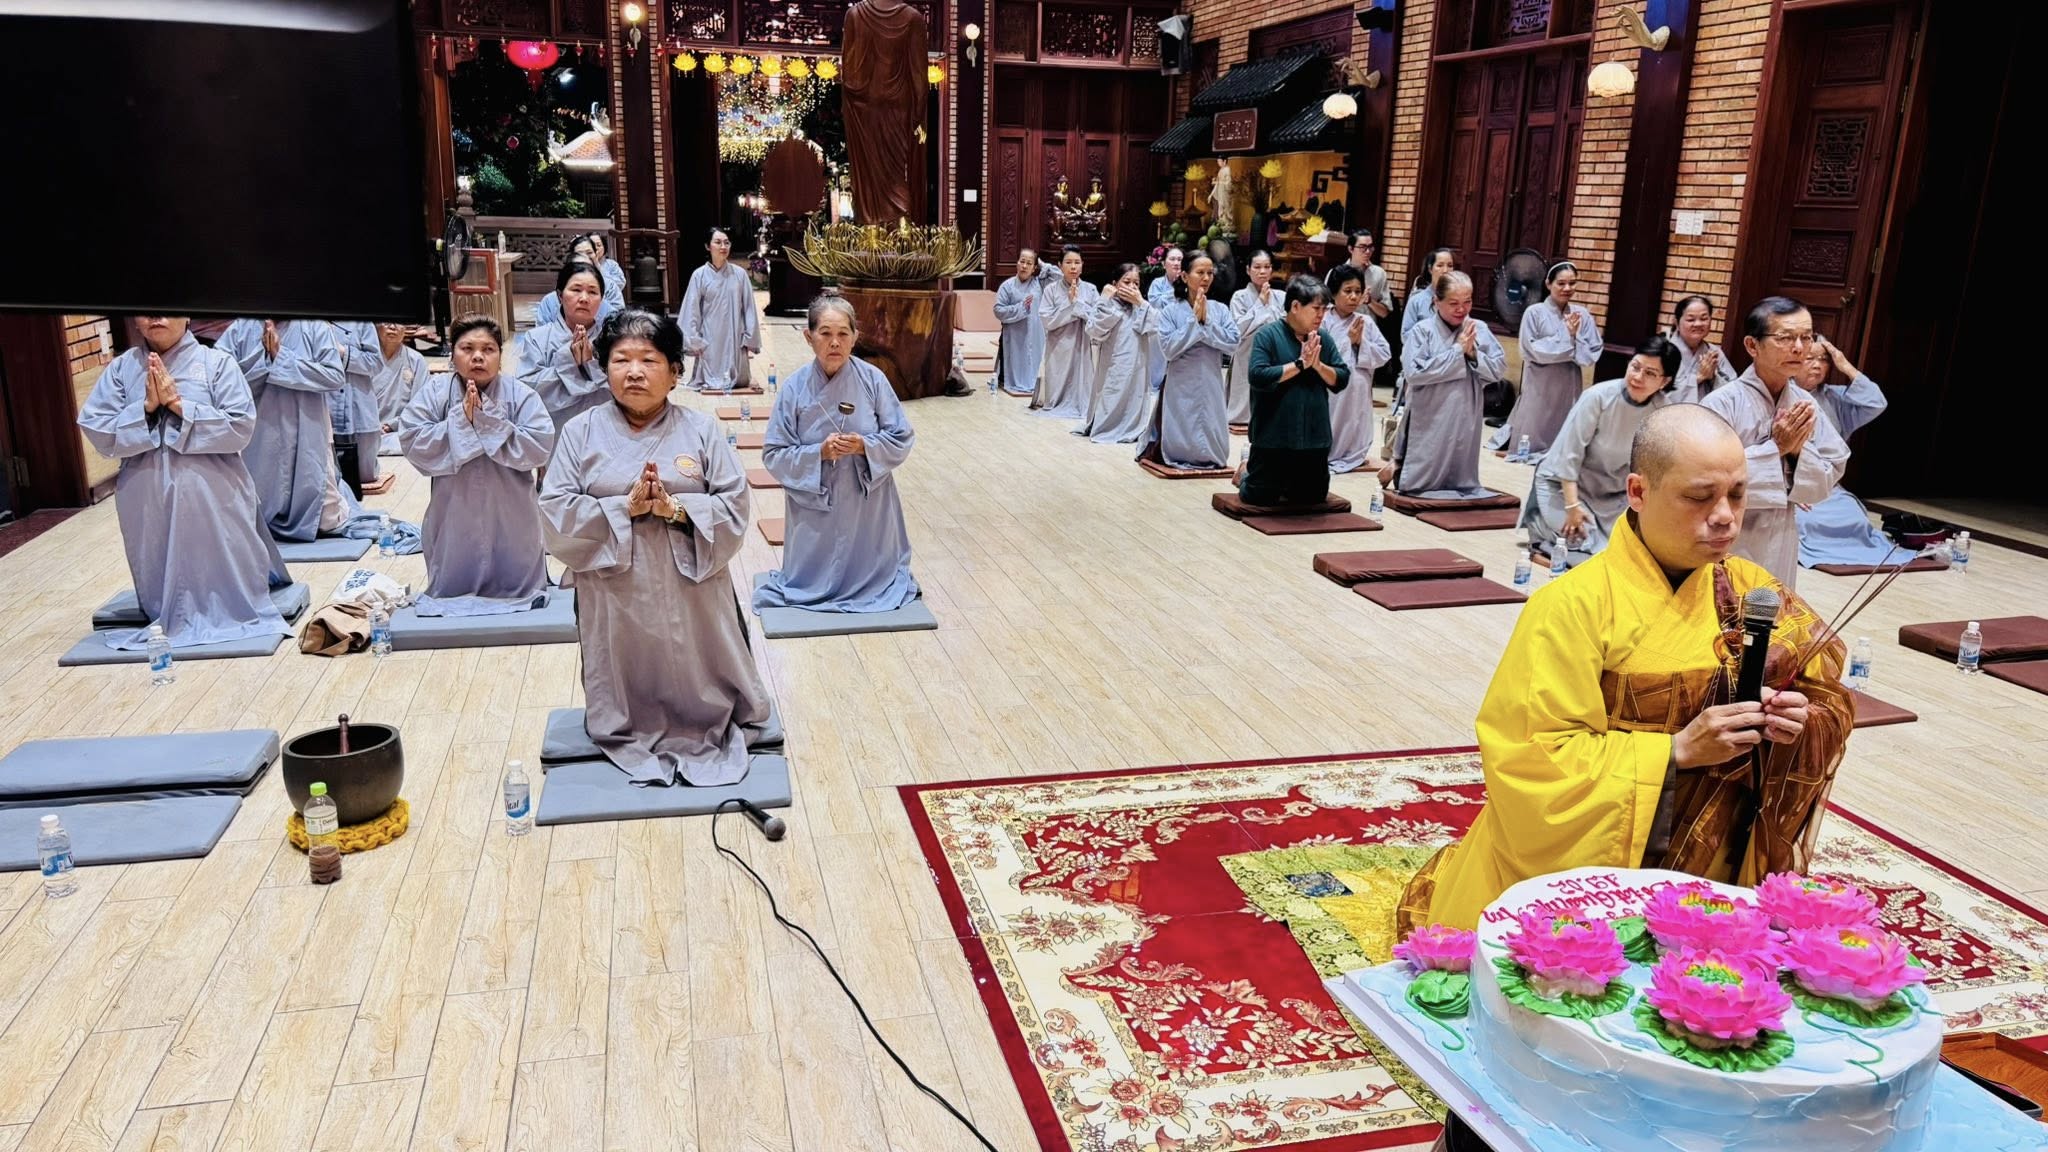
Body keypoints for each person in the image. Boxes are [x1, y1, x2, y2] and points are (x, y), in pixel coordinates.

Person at [1396, 404, 1852, 934]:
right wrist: (1676, 752)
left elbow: (1825, 695)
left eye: (1737, 493)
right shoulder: (1572, 606)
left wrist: (1798, 719)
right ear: (1638, 491)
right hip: (1601, 871)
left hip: (1719, 853)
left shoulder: (1754, 589)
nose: (1725, 515)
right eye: (1700, 497)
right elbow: (1532, 759)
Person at [540, 309, 773, 786]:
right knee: (627, 678)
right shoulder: (580, 432)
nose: (634, 372)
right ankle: (630, 722)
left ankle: (706, 715)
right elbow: (555, 509)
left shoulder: (702, 430)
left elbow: (734, 505)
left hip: (691, 586)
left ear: (675, 372)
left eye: (648, 360)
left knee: (701, 668)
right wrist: (622, 509)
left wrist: (677, 509)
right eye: (621, 360)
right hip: (614, 588)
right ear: (605, 369)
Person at [77, 316, 290, 650]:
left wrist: (179, 406)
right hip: (146, 492)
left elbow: (240, 427)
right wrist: (146, 409)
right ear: (135, 320)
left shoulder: (217, 363)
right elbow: (98, 428)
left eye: (165, 307)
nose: (156, 317)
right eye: (146, 310)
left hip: (213, 489)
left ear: (187, 315)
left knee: (223, 564)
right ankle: (165, 613)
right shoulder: (121, 370)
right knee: (159, 563)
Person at [753, 297, 920, 613]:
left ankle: (871, 581)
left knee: (870, 566)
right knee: (813, 575)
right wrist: (818, 452)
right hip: (816, 501)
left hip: (866, 501)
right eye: (825, 333)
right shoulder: (794, 388)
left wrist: (864, 446)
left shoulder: (873, 380)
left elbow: (901, 436)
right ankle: (813, 583)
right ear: (808, 336)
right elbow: (774, 454)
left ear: (855, 337)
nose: (835, 342)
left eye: (843, 334)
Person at [400, 318, 555, 616]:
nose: (478, 357)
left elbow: (539, 445)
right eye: (467, 348)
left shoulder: (521, 394)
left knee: (517, 579)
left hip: (512, 507)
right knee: (454, 579)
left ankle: (518, 600)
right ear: (452, 354)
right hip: (453, 505)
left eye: (488, 349)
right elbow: (413, 439)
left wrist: (485, 422)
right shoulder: (435, 392)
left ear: (500, 356)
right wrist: (463, 420)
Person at [1700, 296, 1850, 589]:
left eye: (1806, 337)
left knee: (1772, 606)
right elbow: (1705, 475)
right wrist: (1776, 449)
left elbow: (1833, 468)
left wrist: (1797, 452)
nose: (1799, 348)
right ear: (1752, 345)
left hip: (1782, 533)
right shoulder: (1722, 403)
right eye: (1785, 338)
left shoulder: (1805, 404)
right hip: (1727, 535)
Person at [1519, 335, 1680, 565]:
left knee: (1627, 548)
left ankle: (1558, 551)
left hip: (1612, 495)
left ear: (1664, 382)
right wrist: (1572, 506)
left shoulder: (1662, 411)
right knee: (1583, 539)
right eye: (1635, 366)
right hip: (1563, 487)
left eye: (1650, 373)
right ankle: (1541, 538)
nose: (1638, 377)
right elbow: (1569, 456)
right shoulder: (1597, 397)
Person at [217, 316, 346, 542]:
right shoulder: (240, 328)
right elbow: (220, 379)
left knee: (325, 519)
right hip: (261, 431)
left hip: (308, 428)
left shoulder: (315, 327)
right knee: (257, 511)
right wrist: (264, 360)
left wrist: (281, 358)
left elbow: (335, 377)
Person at [1393, 271, 1506, 499]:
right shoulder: (1422, 331)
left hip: (1466, 407)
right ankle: (1403, 473)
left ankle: (1459, 483)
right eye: (1454, 303)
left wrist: (1473, 354)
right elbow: (1414, 373)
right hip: (1431, 410)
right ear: (1436, 301)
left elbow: (1498, 369)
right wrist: (1457, 351)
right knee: (1423, 472)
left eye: (1467, 302)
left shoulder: (1478, 328)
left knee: (1460, 459)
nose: (1461, 309)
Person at [1240, 275, 1347, 505]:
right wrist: (1300, 365)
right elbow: (1257, 376)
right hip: (1273, 438)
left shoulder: (1323, 338)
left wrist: (1318, 366)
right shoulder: (1268, 335)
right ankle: (1244, 474)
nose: (1321, 315)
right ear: (1296, 306)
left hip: (1314, 439)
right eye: (1316, 308)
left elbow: (1342, 378)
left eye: (1324, 309)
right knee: (1260, 497)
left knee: (1312, 498)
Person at [1794, 337, 1895, 567]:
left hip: (1827, 487)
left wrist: (1845, 366)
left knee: (1856, 519)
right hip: (1791, 485)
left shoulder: (1836, 397)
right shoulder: (1779, 393)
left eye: (1824, 359)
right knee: (1805, 523)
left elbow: (1876, 403)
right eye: (1810, 358)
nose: (1817, 365)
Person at [1141, 254, 1236, 469]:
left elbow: (1232, 343)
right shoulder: (1170, 311)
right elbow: (1168, 349)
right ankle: (1180, 454)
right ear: (1184, 276)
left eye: (1210, 273)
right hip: (1181, 380)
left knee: (1210, 419)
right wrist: (1195, 323)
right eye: (1200, 272)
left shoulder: (1220, 309)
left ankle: (1211, 456)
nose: (1206, 278)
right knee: (1183, 419)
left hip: (1211, 378)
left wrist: (1206, 323)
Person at [1500, 261, 1602, 455]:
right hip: (1540, 380)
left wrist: (1575, 337)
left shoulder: (1582, 315)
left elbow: (1591, 353)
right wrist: (1570, 340)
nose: (1567, 288)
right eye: (1561, 283)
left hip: (1569, 381)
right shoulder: (1534, 313)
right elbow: (1531, 350)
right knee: (1534, 425)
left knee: (1564, 423)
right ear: (1548, 283)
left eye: (1572, 283)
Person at [515, 260, 609, 430]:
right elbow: (526, 391)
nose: (584, 298)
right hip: (554, 431)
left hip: (602, 432)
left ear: (601, 299)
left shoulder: (611, 341)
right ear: (560, 295)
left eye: (593, 292)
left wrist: (592, 364)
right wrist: (568, 360)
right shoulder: (537, 338)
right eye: (576, 290)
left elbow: (623, 391)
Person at [1321, 265, 1392, 474]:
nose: (1353, 296)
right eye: (1347, 291)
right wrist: (1347, 343)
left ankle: (1351, 453)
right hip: (1329, 386)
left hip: (1357, 389)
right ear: (1334, 293)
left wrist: (1361, 342)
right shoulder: (1322, 319)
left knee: (1353, 424)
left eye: (1358, 291)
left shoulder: (1365, 322)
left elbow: (1384, 353)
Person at [1082, 263, 1157, 445]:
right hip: (1114, 362)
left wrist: (1140, 303)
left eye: (1136, 283)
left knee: (1134, 395)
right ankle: (1106, 426)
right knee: (1112, 392)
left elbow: (1157, 325)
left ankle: (1132, 426)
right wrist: (1104, 299)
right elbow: (1093, 329)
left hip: (1137, 363)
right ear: (1115, 284)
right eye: (1127, 282)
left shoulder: (1141, 306)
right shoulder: (1108, 303)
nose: (1132, 287)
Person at [678, 227, 761, 391]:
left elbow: (749, 308)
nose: (723, 246)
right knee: (711, 376)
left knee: (739, 379)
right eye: (718, 242)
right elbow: (691, 310)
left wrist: (749, 337)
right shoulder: (699, 275)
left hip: (734, 333)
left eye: (726, 242)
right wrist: (694, 339)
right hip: (710, 334)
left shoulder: (740, 274)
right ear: (708, 246)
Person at [1033, 247, 1098, 420]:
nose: (1073, 267)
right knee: (1057, 383)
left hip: (1083, 346)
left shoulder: (1091, 290)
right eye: (1068, 262)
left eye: (1077, 262)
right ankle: (1055, 402)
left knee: (1082, 380)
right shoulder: (1051, 290)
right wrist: (1069, 304)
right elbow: (1046, 320)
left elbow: (1098, 319)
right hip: (1059, 345)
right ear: (1060, 265)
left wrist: (1078, 305)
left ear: (1082, 265)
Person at [992, 248, 1061, 397]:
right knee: (1015, 362)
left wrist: (1043, 265)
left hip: (1036, 334)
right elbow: (998, 310)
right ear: (1017, 263)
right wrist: (1021, 308)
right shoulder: (1007, 286)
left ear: (1034, 268)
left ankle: (1034, 383)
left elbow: (1059, 277)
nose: (1024, 266)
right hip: (1014, 335)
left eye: (1029, 263)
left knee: (1035, 361)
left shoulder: (1040, 284)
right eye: (1022, 261)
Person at [1226, 251, 1284, 427]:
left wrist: (1267, 309)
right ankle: (1241, 418)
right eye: (1257, 267)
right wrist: (1260, 304)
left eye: (1267, 267)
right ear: (1248, 270)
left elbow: (1286, 323)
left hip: (1274, 352)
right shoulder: (1239, 297)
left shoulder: (1281, 296)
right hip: (1246, 351)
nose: (1262, 271)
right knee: (1245, 388)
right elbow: (1237, 329)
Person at [327, 322, 386, 485]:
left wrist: (343, 351)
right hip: (323, 412)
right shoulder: (308, 322)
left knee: (366, 477)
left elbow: (376, 363)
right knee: (328, 482)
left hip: (358, 411)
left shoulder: (362, 323)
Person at [370, 322, 427, 457]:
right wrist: (371, 426)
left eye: (398, 323)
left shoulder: (416, 360)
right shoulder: (364, 359)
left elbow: (421, 406)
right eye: (387, 322)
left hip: (401, 429)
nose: (392, 327)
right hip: (367, 430)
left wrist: (392, 425)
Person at [1669, 294, 1736, 402]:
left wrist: (1713, 378)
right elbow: (1656, 394)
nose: (1698, 324)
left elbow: (1733, 391)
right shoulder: (1662, 352)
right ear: (1676, 322)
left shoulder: (1714, 353)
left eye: (1704, 318)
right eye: (1691, 319)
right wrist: (1698, 377)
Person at [1145, 247, 1184, 393]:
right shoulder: (1157, 283)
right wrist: (1175, 291)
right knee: (1156, 360)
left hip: (1181, 327)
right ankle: (1154, 388)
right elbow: (1155, 302)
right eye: (1172, 259)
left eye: (1180, 260)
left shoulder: (1188, 282)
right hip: (1160, 327)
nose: (1176, 263)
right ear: (1164, 264)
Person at [1401, 247, 1457, 341]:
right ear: (1430, 269)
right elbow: (1405, 336)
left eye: (1450, 265)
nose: (1445, 270)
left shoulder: (1459, 299)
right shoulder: (1417, 300)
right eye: (1440, 265)